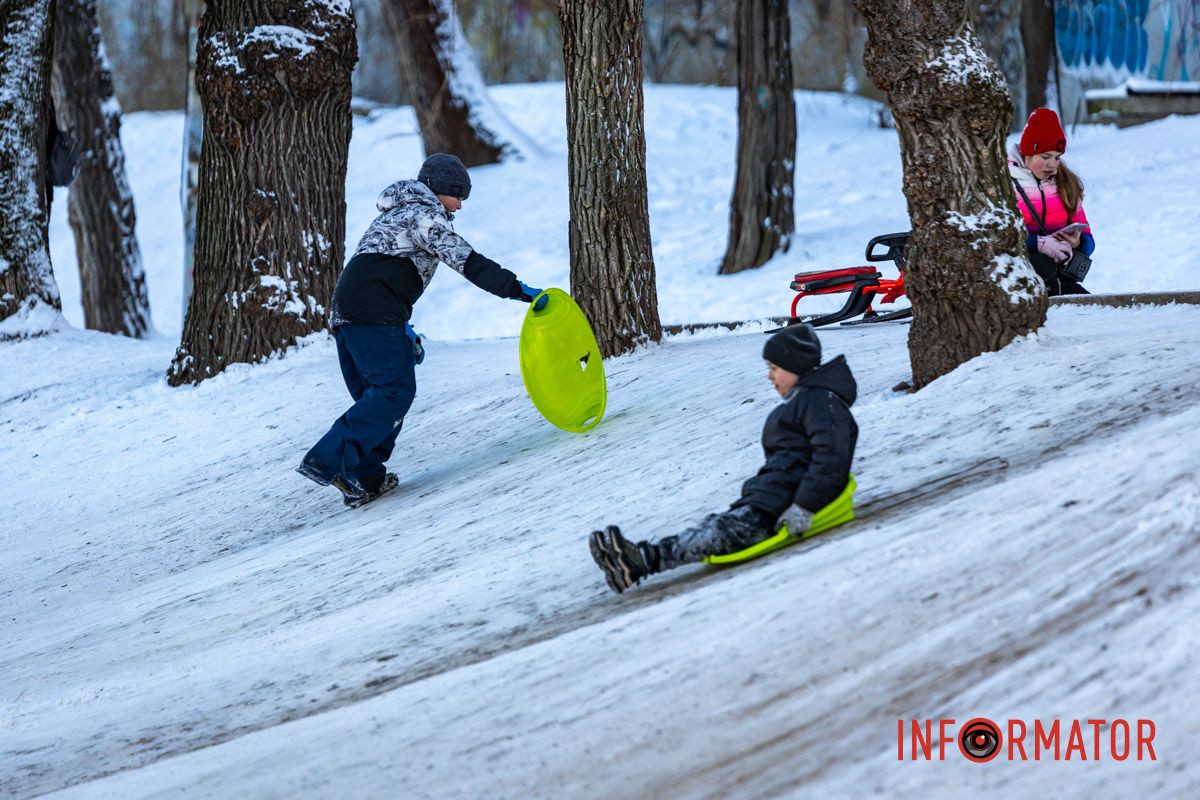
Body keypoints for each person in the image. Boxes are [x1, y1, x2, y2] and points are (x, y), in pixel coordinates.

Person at [298, 153, 546, 507]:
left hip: (348, 312)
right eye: (458, 194)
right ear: (438, 189)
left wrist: (402, 327)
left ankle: (364, 476)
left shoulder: (394, 215)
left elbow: (377, 271)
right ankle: (332, 460)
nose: (460, 205)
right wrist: (518, 289)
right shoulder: (425, 216)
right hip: (373, 311)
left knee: (377, 395)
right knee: (393, 391)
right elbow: (468, 261)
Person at [589, 324, 858, 593]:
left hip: (778, 509)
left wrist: (804, 506)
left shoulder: (822, 402)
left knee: (719, 534)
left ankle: (641, 560)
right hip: (766, 503)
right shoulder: (805, 403)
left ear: (795, 366)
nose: (769, 376)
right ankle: (635, 558)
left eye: (774, 368)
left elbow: (831, 457)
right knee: (713, 528)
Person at [1008, 107, 1095, 296]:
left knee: (1087, 309)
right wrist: (1038, 243)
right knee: (1042, 264)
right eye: (1045, 157)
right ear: (1027, 153)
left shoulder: (1065, 183)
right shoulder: (1006, 183)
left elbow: (1088, 238)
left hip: (1062, 275)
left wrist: (1078, 242)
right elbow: (1001, 235)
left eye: (1057, 157)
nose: (1053, 164)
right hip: (1024, 277)